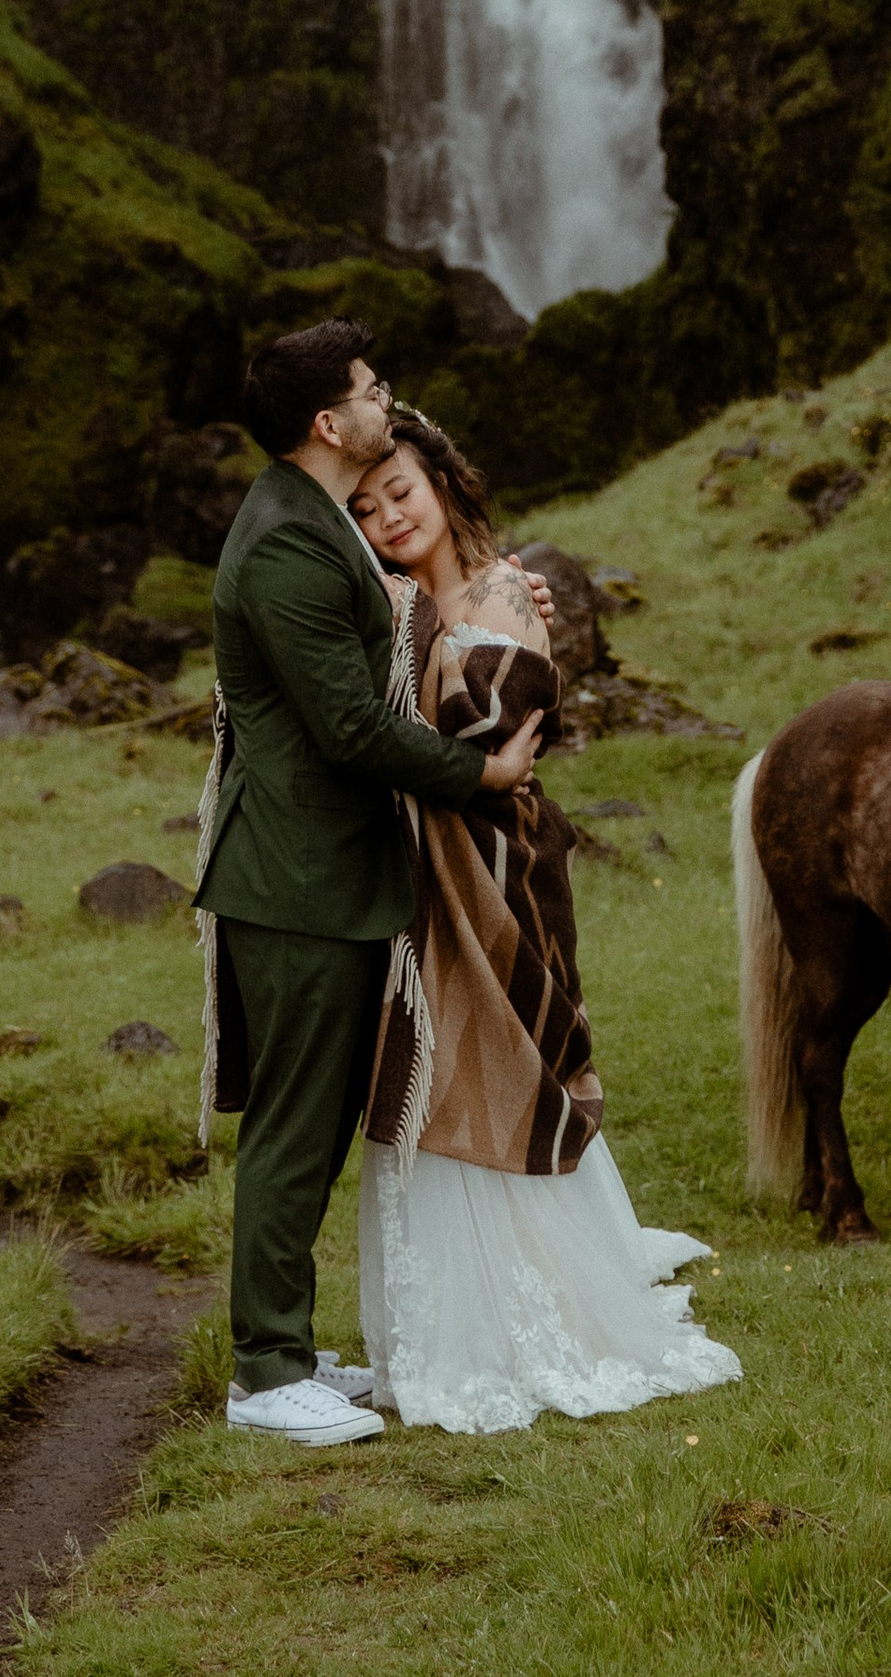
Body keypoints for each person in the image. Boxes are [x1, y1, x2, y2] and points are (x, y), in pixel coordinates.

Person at [348, 408, 741, 1434]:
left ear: (440, 482)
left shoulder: (498, 596)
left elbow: (482, 731)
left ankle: (535, 1301)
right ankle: (445, 1317)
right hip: (414, 879)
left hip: (492, 871)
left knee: (502, 1055)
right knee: (424, 1068)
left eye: (400, 492)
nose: (389, 515)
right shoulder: (398, 604)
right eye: (365, 506)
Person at [193, 320, 547, 1448]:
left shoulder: (309, 524)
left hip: (328, 872)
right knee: (294, 1128)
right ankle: (264, 1374)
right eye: (370, 387)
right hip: (297, 877)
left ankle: (287, 1349)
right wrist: (478, 771)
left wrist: (488, 595)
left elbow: (394, 636)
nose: (385, 398)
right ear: (327, 422)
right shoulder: (287, 547)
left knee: (319, 1118)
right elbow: (347, 726)